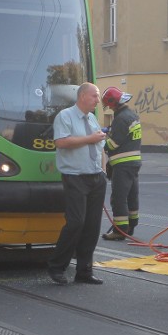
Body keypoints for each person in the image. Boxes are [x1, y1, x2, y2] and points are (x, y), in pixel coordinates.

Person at [46, 82, 107, 285]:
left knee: (92, 226)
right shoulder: (65, 116)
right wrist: (90, 138)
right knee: (76, 222)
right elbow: (61, 142)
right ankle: (56, 267)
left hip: (95, 177)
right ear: (82, 97)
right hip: (75, 177)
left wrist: (103, 171)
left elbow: (99, 147)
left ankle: (84, 271)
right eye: (94, 96)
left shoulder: (92, 119)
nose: (98, 100)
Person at [100, 86, 142, 241]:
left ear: (113, 103)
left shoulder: (120, 118)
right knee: (132, 195)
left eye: (109, 105)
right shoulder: (131, 115)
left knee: (118, 197)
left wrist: (99, 143)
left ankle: (120, 230)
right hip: (133, 163)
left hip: (122, 164)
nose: (109, 108)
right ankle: (131, 225)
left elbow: (113, 144)